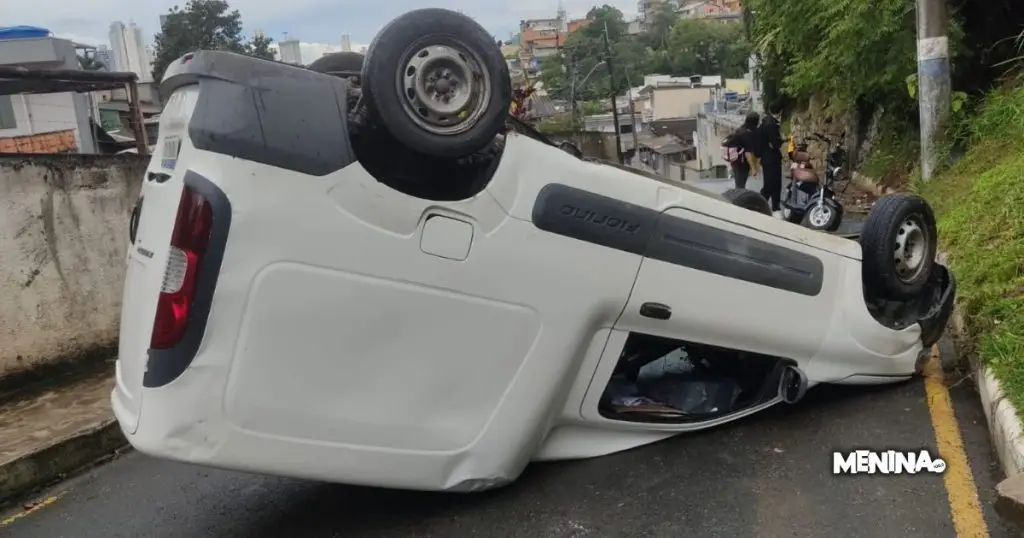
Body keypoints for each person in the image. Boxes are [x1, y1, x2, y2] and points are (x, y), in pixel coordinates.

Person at [721, 112, 760, 189]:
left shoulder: (741, 129)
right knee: (740, 184)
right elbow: (748, 153)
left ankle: (738, 194)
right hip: (741, 163)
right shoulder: (746, 133)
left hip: (735, 161)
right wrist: (753, 168)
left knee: (739, 183)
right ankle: (739, 195)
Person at [757, 109, 785, 214]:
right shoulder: (771, 125)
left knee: (770, 183)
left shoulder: (764, 122)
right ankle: (761, 205)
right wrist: (781, 140)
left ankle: (770, 206)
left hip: (766, 158)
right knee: (773, 184)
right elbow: (775, 143)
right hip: (772, 158)